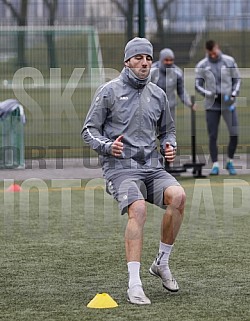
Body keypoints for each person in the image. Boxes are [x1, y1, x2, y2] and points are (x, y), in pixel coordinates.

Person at [81, 37, 186, 305]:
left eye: (148, 58)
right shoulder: (109, 91)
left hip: (152, 167)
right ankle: (135, 284)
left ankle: (161, 263)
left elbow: (168, 130)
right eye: (138, 57)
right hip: (120, 169)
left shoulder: (158, 94)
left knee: (179, 196)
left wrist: (169, 145)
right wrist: (107, 146)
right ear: (127, 61)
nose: (144, 62)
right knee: (138, 209)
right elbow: (88, 130)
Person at [195, 40, 241, 175]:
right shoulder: (202, 65)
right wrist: (211, 94)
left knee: (234, 133)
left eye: (215, 53)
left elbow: (237, 80)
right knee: (213, 135)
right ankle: (215, 164)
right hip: (212, 105)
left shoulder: (229, 61)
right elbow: (197, 85)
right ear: (207, 51)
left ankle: (230, 161)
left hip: (228, 104)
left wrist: (233, 94)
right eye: (211, 54)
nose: (213, 56)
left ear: (218, 48)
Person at [151, 48, 194, 122]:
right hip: (153, 108)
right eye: (166, 60)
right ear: (161, 59)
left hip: (169, 108)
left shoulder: (177, 72)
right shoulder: (151, 71)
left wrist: (189, 102)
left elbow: (181, 90)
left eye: (171, 60)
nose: (169, 62)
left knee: (168, 131)